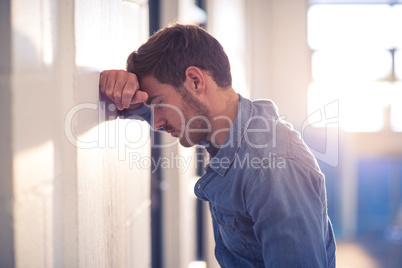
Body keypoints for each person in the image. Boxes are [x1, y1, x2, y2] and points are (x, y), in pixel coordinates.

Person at [99, 23, 336, 267]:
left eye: (159, 103)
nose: (157, 121)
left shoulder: (271, 166)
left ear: (194, 81)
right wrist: (123, 92)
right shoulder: (226, 130)